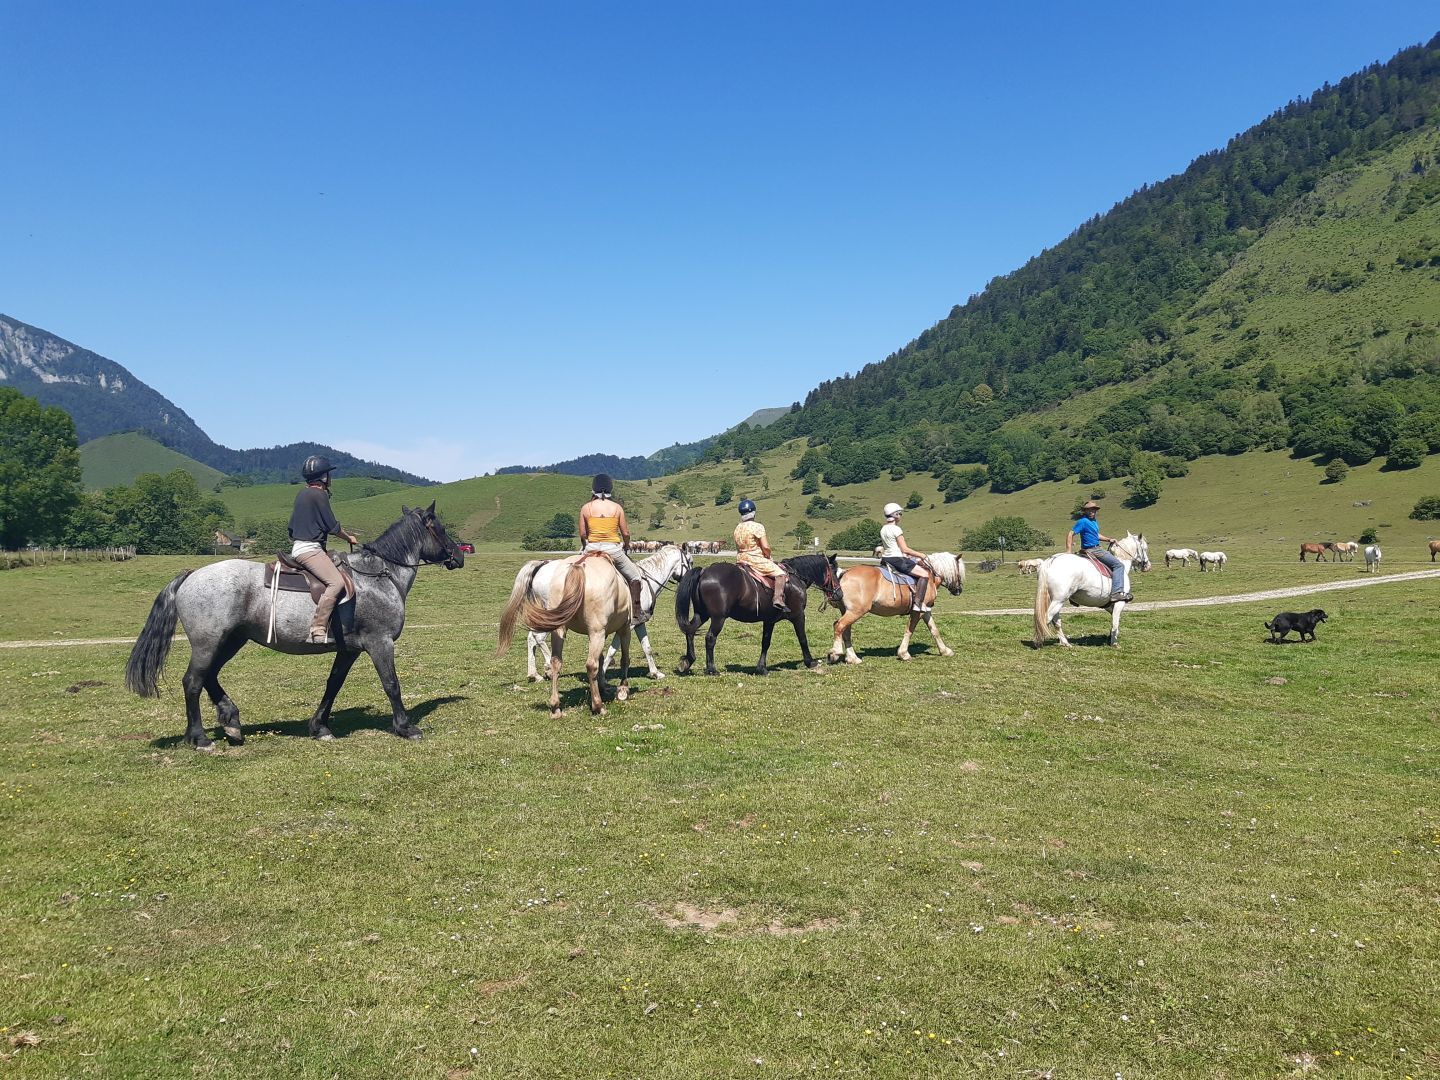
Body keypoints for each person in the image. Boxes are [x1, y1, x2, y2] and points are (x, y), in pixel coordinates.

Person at [288, 455, 360, 644]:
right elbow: (332, 527)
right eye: (329, 474)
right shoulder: (318, 494)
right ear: (324, 477)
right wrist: (349, 538)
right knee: (336, 583)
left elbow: (291, 528)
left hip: (300, 546)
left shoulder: (302, 494)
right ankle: (318, 628)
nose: (331, 478)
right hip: (309, 549)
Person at [579, 474, 648, 625]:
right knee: (635, 576)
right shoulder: (617, 508)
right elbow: (626, 533)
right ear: (610, 488)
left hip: (591, 548)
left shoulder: (586, 508)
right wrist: (627, 544)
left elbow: (583, 534)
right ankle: (636, 613)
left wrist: (586, 546)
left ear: (593, 488)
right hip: (613, 550)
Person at [1067, 499, 1132, 603]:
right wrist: (1069, 551)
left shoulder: (1093, 521)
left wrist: (1108, 539)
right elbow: (1071, 533)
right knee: (1119, 565)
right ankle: (1116, 593)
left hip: (1093, 548)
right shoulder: (1083, 521)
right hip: (1094, 550)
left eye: (1094, 510)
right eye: (1089, 510)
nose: (1092, 512)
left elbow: (1096, 535)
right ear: (1085, 511)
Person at [733, 499, 788, 612]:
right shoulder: (757, 526)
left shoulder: (737, 528)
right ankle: (777, 599)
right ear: (753, 512)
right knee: (781, 574)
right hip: (755, 560)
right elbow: (766, 547)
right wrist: (767, 555)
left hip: (741, 560)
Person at [878, 502, 932, 613]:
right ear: (896, 515)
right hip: (897, 559)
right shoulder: (896, 529)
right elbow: (905, 549)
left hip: (886, 559)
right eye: (900, 514)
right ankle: (918, 604)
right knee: (925, 574)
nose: (901, 516)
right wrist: (922, 555)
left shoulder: (883, 529)